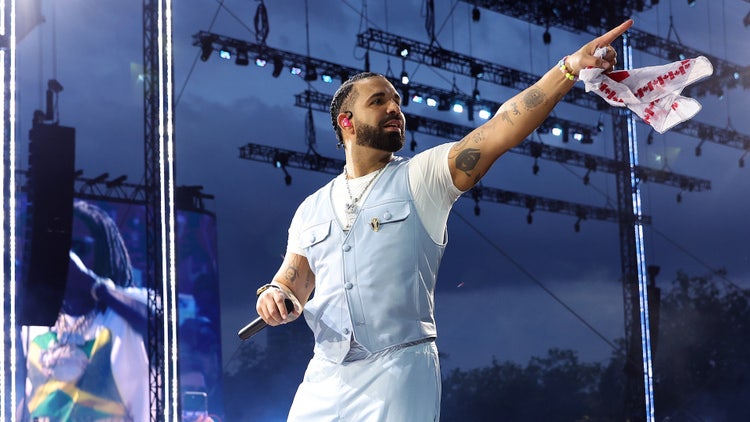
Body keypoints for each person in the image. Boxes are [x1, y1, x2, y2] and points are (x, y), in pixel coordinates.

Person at [254, 20, 633, 421]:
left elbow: (501, 128)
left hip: (398, 371)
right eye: (379, 101)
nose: (394, 108)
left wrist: (568, 68)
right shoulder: (311, 208)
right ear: (347, 121)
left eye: (397, 101)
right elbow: (292, 281)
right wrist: (274, 295)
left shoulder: (423, 176)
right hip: (325, 378)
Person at [23, 200, 150, 421]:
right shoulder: (35, 320)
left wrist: (92, 285)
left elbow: (162, 327)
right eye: (59, 249)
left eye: (79, 248)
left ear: (103, 254)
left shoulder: (124, 310)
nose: (68, 260)